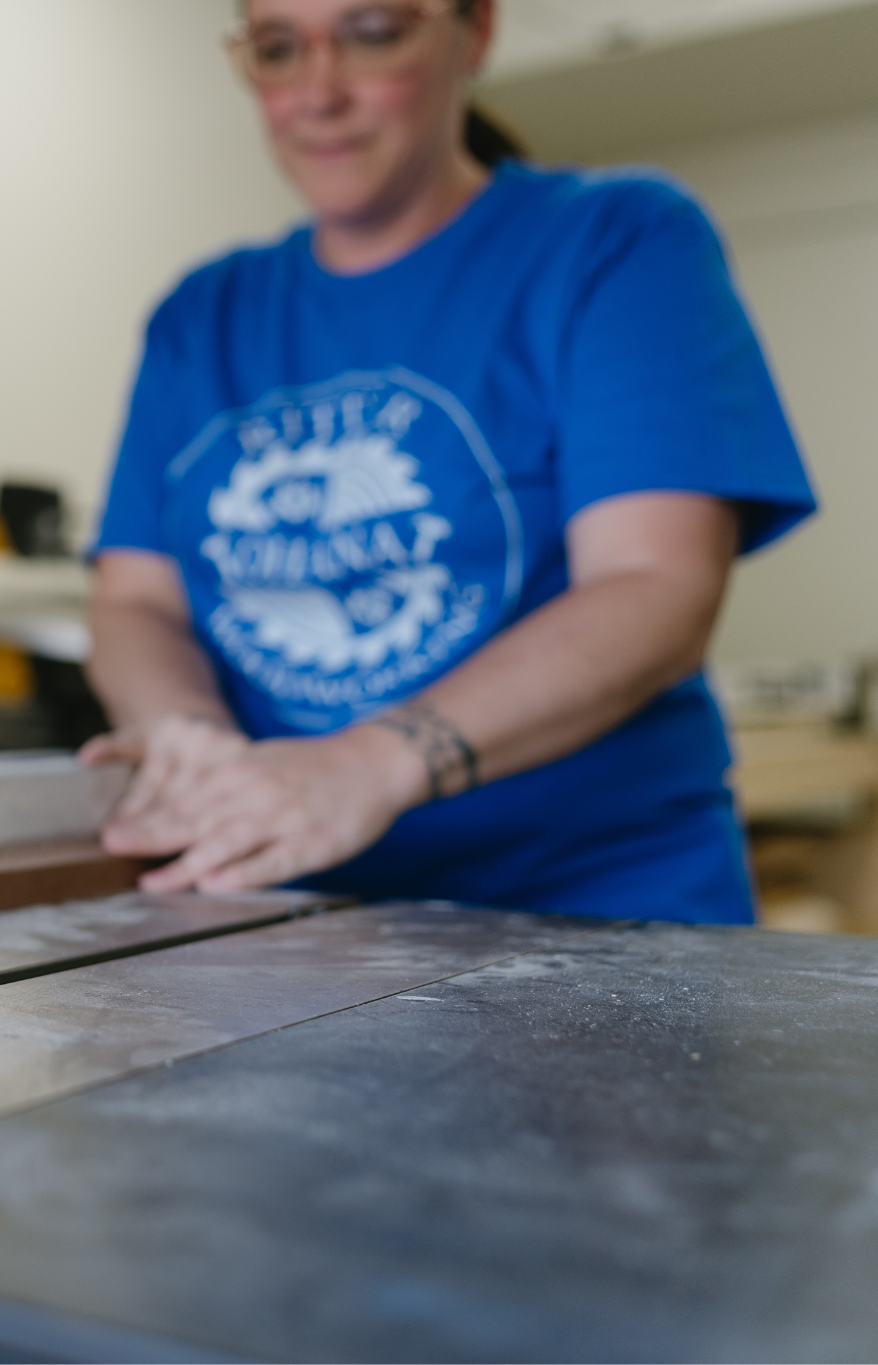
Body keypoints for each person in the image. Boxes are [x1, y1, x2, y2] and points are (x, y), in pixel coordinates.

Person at [79, 0, 816, 922]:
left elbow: (653, 586)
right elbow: (135, 599)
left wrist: (368, 764)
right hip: (291, 915)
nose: (320, 93)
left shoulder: (616, 238)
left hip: (597, 913)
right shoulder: (201, 314)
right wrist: (186, 733)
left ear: (474, 34)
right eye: (277, 48)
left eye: (372, 32)